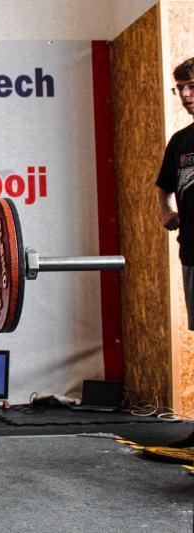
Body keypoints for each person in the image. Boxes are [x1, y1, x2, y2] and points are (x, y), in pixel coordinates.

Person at [156, 58, 194, 448]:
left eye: (192, 86)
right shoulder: (181, 142)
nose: (185, 94)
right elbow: (164, 185)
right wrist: (166, 211)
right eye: (180, 88)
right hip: (192, 253)